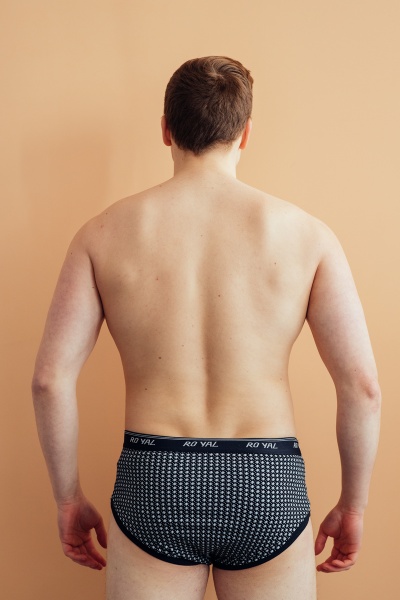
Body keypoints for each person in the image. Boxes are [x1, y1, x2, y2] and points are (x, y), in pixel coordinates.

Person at [32, 56, 381, 600]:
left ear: (165, 129)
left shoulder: (101, 234)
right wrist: (353, 506)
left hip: (155, 480)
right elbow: (362, 387)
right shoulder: (308, 236)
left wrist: (67, 498)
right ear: (245, 134)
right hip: (267, 482)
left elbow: (49, 381)